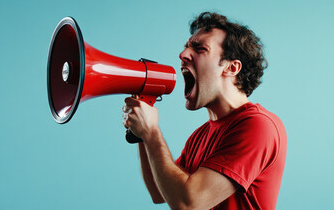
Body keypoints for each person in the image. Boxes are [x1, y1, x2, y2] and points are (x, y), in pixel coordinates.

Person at [122, 12, 287, 210]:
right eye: (186, 47)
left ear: (232, 67)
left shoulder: (259, 126)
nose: (182, 55)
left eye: (200, 49)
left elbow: (188, 203)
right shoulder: (200, 135)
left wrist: (151, 132)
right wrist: (141, 134)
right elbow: (160, 192)